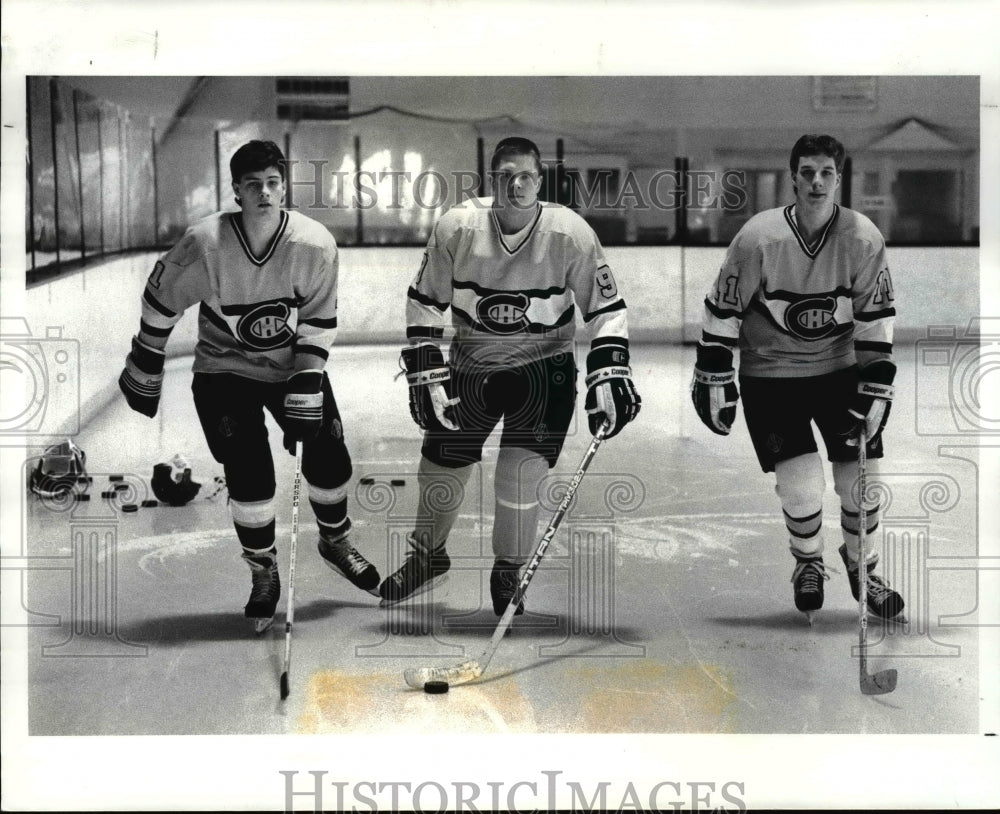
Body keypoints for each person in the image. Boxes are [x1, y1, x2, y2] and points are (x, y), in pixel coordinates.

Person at [118, 139, 380, 633]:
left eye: (273, 183)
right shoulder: (206, 243)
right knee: (250, 473)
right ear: (236, 191)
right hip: (223, 371)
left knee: (329, 456)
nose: (264, 192)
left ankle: (335, 542)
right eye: (253, 184)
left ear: (285, 188)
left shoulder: (314, 244)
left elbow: (320, 319)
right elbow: (161, 302)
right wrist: (147, 356)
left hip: (288, 369)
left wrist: (306, 378)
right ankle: (264, 573)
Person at [382, 136, 641, 614]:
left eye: (525, 176)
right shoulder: (457, 227)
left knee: (518, 477)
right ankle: (426, 557)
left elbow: (606, 309)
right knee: (441, 470)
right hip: (470, 365)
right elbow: (424, 301)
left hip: (545, 372)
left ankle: (508, 571)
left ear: (539, 182)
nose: (515, 185)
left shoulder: (570, 233)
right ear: (491, 180)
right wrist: (425, 366)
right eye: (505, 176)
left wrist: (608, 371)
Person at [691, 133, 904, 620]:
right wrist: (714, 370)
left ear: (838, 177)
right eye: (807, 172)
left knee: (861, 485)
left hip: (838, 372)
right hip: (771, 377)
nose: (816, 181)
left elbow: (875, 319)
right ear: (793, 178)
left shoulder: (863, 237)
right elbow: (723, 310)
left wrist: (877, 382)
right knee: (803, 485)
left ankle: (862, 567)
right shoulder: (759, 238)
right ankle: (808, 563)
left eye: (827, 172)